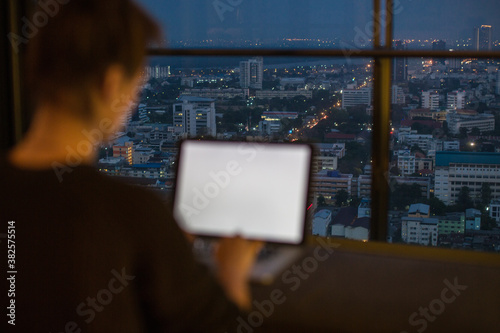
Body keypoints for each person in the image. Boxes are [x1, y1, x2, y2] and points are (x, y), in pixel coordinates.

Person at [1, 1, 261, 331]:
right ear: (110, 84)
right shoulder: (131, 213)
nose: (133, 101)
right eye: (135, 86)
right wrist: (232, 273)